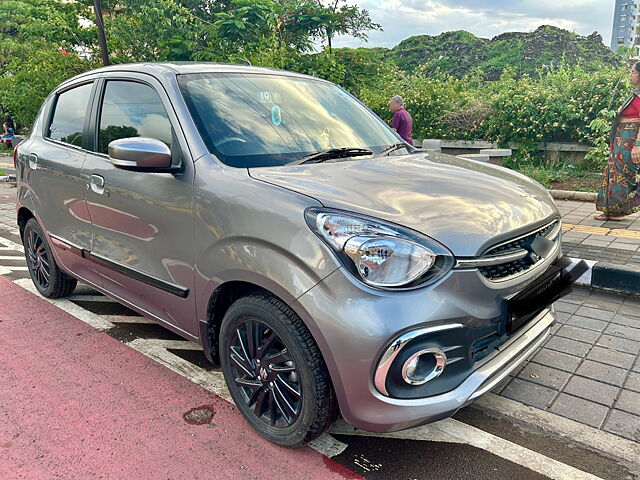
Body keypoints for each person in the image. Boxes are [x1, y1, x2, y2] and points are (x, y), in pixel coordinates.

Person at [595, 62, 640, 221]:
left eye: (633, 72)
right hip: (622, 140)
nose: (630, 74)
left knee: (623, 174)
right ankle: (611, 211)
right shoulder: (636, 93)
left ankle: (618, 211)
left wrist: (638, 146)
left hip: (630, 141)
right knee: (614, 172)